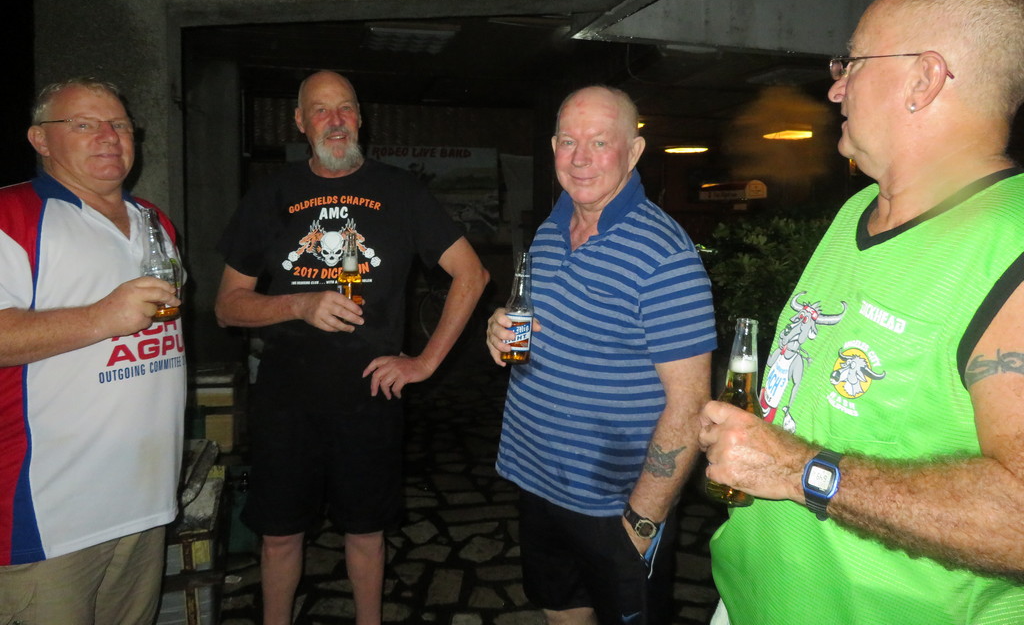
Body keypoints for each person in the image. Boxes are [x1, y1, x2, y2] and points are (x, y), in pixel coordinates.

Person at [700, 0, 1024, 625]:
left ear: (923, 79)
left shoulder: (1010, 247)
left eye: (853, 63)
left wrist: (799, 470)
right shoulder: (858, 212)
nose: (835, 89)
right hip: (751, 601)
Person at [215, 70, 489, 625]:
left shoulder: (402, 192)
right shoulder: (270, 195)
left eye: (345, 108)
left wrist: (425, 363)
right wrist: (298, 304)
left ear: (361, 118)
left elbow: (473, 274)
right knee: (278, 536)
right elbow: (227, 306)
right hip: (285, 401)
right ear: (300, 122)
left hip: (370, 398)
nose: (335, 121)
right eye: (321, 110)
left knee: (366, 534)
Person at [486, 85, 716, 625]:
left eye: (599, 142)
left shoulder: (665, 256)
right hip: (539, 482)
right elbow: (547, 329)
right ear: (553, 148)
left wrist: (642, 522)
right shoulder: (549, 231)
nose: (580, 158)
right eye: (568, 142)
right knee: (561, 612)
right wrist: (498, 330)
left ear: (633, 152)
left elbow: (689, 406)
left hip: (617, 503)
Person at [0, 78, 186, 624]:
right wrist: (100, 318)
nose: (108, 136)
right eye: (83, 124)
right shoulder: (11, 216)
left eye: (120, 125)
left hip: (145, 503)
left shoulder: (154, 220)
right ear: (40, 139)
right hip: (51, 516)